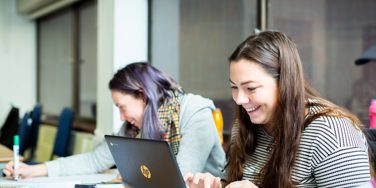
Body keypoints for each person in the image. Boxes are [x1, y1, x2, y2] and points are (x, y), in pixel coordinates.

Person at [185, 31, 371, 188]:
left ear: (284, 83)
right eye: (234, 87)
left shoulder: (332, 134)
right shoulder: (246, 123)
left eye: (251, 88)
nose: (240, 99)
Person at [3, 62, 225, 179]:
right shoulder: (134, 126)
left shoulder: (194, 112)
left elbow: (182, 179)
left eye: (122, 107)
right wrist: (34, 169)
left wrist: (134, 175)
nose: (121, 116)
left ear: (143, 96)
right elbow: (94, 160)